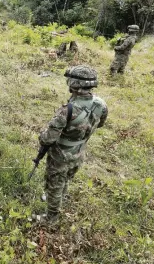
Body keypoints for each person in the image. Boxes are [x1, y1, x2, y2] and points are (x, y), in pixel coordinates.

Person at [37, 65, 108, 224]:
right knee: (67, 178)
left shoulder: (68, 109)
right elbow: (100, 124)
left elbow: (48, 138)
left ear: (74, 84)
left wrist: (41, 135)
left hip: (61, 155)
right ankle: (58, 198)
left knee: (55, 183)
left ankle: (51, 218)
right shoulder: (101, 104)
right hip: (80, 151)